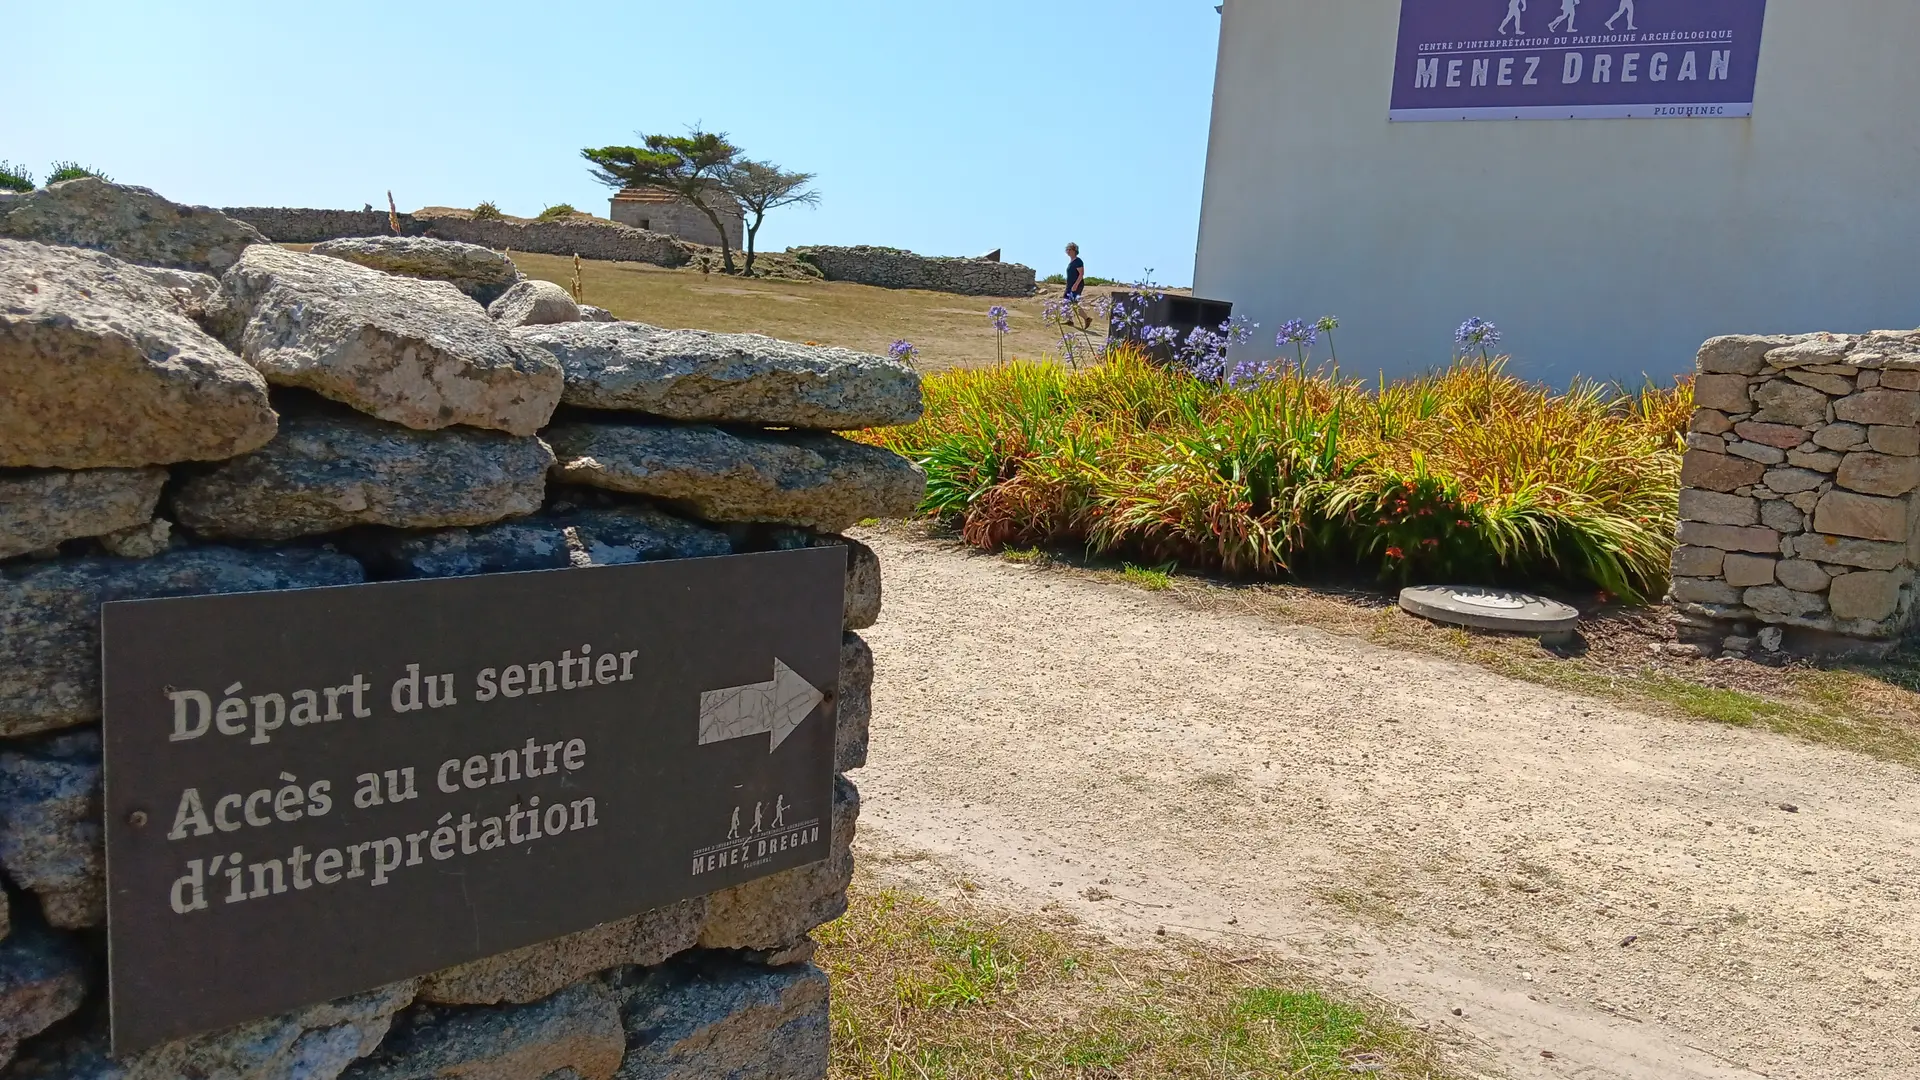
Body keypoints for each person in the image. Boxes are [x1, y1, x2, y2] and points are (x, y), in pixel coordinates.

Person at [1062, 242, 1090, 329]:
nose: (1068, 251)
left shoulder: (1078, 261)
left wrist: (1076, 285)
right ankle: (1069, 320)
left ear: (1074, 250)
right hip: (1070, 286)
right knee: (1065, 302)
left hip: (1076, 285)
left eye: (1069, 249)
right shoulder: (1071, 262)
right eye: (1067, 250)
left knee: (1074, 303)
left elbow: (1081, 274)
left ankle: (1087, 318)